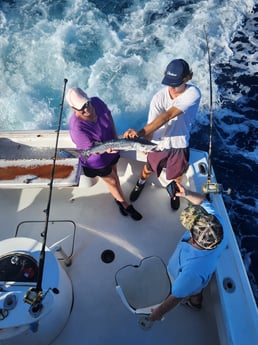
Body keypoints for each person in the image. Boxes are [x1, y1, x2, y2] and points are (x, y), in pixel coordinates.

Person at [124, 59, 201, 210]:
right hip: (158, 144)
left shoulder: (193, 93)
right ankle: (140, 184)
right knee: (148, 168)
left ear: (186, 78)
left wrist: (139, 132)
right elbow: (152, 124)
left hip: (180, 144)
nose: (171, 87)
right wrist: (144, 141)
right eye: (169, 82)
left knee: (177, 175)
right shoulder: (158, 98)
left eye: (176, 82)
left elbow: (168, 115)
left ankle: (174, 193)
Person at [149, 182, 227, 321]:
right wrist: (187, 194)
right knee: (198, 287)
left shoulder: (192, 271)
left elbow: (176, 296)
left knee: (193, 291)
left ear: (193, 236)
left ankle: (195, 303)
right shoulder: (217, 222)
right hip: (203, 273)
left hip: (189, 279)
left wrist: (159, 312)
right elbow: (203, 201)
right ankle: (196, 300)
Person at [66, 87, 142, 221]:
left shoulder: (97, 102)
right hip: (96, 159)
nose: (87, 109)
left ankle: (118, 197)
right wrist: (105, 149)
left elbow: (109, 116)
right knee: (112, 180)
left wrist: (114, 138)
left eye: (87, 104)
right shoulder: (77, 128)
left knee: (114, 172)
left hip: (112, 147)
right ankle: (124, 204)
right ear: (73, 108)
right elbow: (90, 150)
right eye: (81, 108)